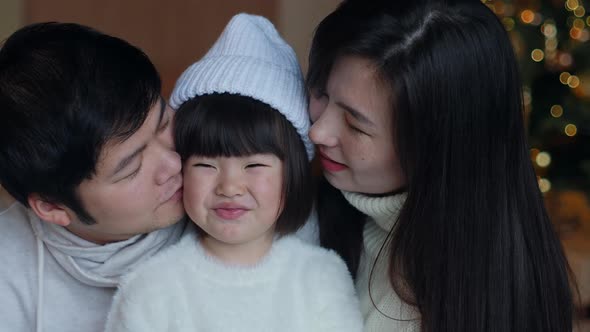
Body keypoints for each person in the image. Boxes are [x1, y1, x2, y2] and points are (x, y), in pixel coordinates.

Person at [307, 1, 574, 331]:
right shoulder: (297, 205)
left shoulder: (491, 296)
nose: (317, 131)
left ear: (432, 147)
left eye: (356, 125)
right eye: (320, 92)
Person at [103, 13, 362, 332]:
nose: (229, 187)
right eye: (205, 165)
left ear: (292, 173)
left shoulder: (321, 277)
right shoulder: (150, 288)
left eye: (253, 165)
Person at [0, 23, 189, 332]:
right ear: (53, 208)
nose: (173, 163)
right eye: (131, 168)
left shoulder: (233, 198)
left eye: (163, 123)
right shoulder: (8, 278)